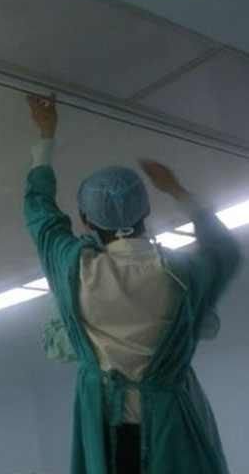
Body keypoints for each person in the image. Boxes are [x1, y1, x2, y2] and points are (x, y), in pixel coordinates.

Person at [22, 93, 242, 474]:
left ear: (87, 221)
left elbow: (40, 214)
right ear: (147, 211)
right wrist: (178, 190)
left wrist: (46, 136)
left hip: (106, 435)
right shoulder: (181, 275)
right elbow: (224, 251)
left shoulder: (77, 269)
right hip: (172, 430)